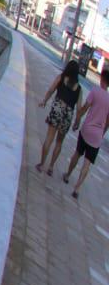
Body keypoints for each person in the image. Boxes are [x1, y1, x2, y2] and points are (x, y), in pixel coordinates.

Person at [61, 66, 109, 200]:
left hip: (86, 129)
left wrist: (77, 120)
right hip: (97, 135)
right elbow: (108, 122)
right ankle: (77, 189)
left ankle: (67, 175)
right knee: (87, 163)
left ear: (101, 79)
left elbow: (84, 108)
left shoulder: (95, 91)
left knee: (77, 153)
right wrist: (102, 133)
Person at [36, 58, 83, 176]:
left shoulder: (61, 78)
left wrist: (44, 101)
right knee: (59, 142)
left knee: (49, 138)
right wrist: (77, 122)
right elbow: (79, 108)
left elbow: (51, 90)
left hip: (57, 109)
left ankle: (42, 164)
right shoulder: (79, 88)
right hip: (67, 115)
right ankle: (51, 167)